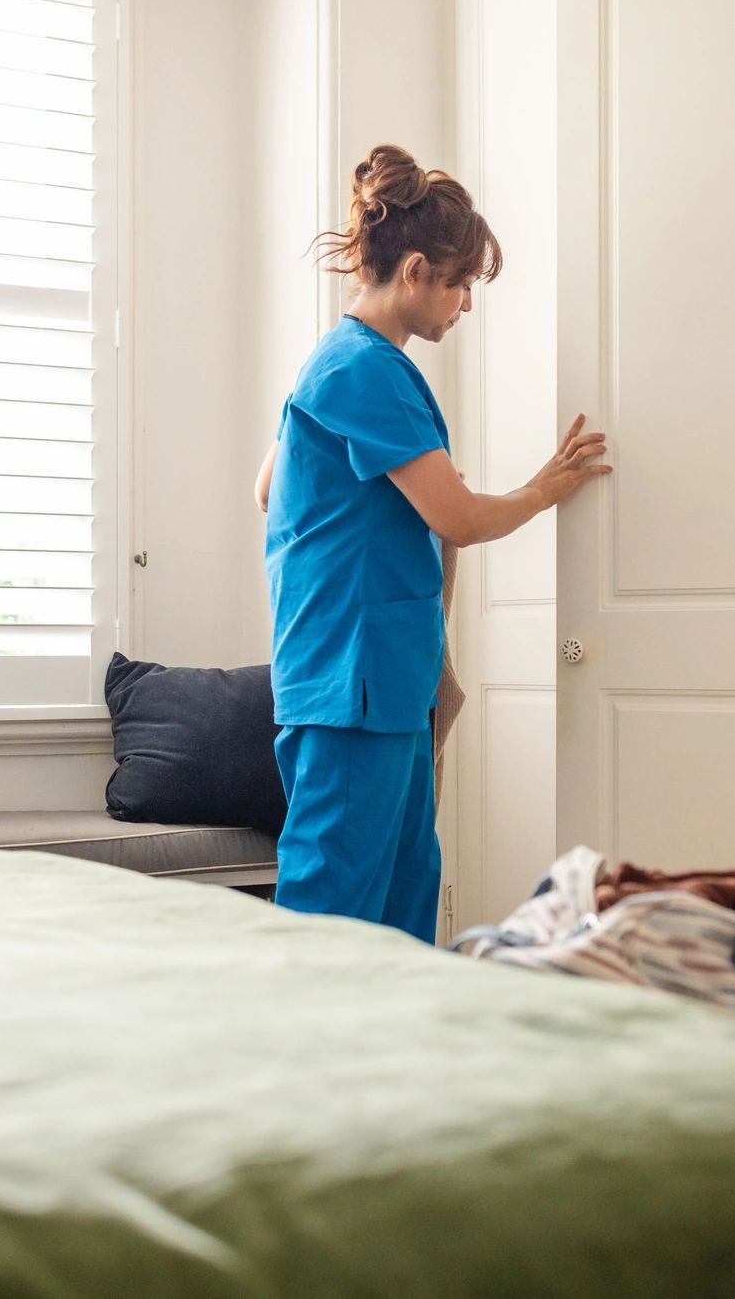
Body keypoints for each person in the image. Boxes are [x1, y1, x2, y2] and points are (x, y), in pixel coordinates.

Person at [252, 144, 611, 944]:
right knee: (332, 910)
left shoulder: (342, 364)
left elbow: (266, 488)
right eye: (461, 285)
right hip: (355, 685)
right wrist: (546, 486)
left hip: (377, 679)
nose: (465, 306)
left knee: (404, 893)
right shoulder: (362, 370)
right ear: (416, 271)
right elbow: (459, 519)